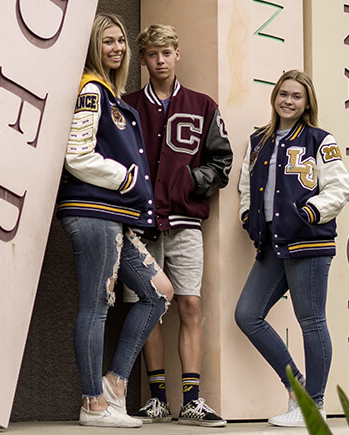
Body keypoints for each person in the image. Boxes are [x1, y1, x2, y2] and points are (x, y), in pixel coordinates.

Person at [56, 12, 175, 428]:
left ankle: (115, 383)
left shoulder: (110, 93)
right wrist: (124, 178)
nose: (117, 48)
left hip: (115, 216)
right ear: (93, 45)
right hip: (93, 211)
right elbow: (77, 154)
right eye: (108, 41)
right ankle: (93, 403)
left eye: (121, 41)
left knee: (159, 292)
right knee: (96, 305)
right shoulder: (91, 89)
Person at [121, 24, 232, 427]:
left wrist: (189, 182)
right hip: (141, 225)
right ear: (144, 59)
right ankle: (156, 399)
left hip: (185, 222)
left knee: (189, 303)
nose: (161, 60)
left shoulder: (202, 105)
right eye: (152, 54)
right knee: (148, 309)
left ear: (177, 54)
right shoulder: (128, 105)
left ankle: (191, 400)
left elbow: (222, 163)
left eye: (167, 52)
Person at [233, 70, 349, 427]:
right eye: (283, 93)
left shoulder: (319, 140)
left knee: (311, 320)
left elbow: (339, 187)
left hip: (309, 242)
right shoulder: (258, 141)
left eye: (296, 96)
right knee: (247, 315)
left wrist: (308, 212)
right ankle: (297, 388)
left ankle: (313, 404)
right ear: (275, 97)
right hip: (272, 243)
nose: (288, 100)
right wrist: (246, 217)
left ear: (306, 102)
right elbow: (244, 185)